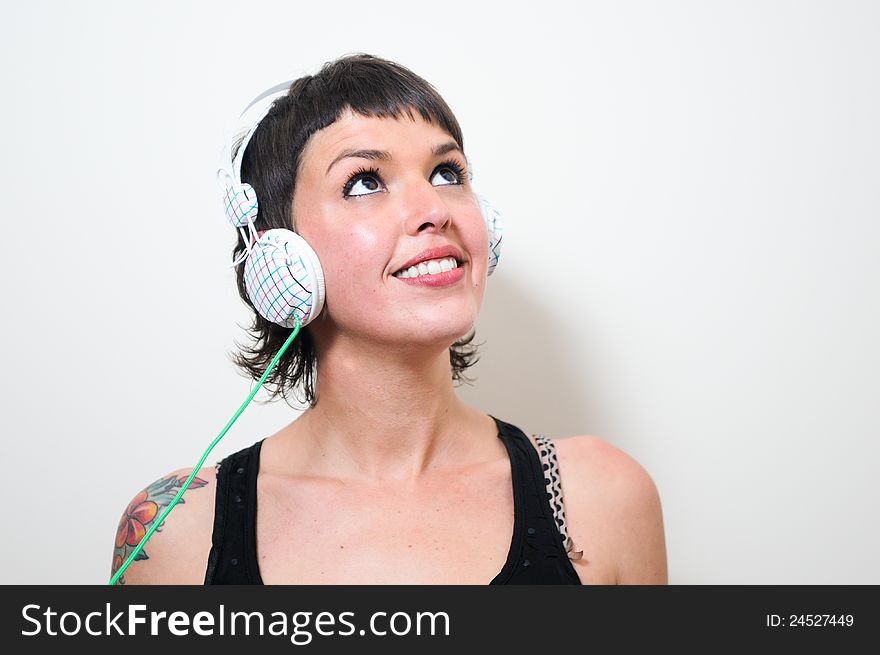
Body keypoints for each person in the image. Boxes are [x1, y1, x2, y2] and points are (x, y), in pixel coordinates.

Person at [110, 53, 667, 585]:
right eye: (365, 182)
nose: (434, 210)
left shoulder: (604, 497)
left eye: (448, 173)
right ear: (282, 258)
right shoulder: (174, 530)